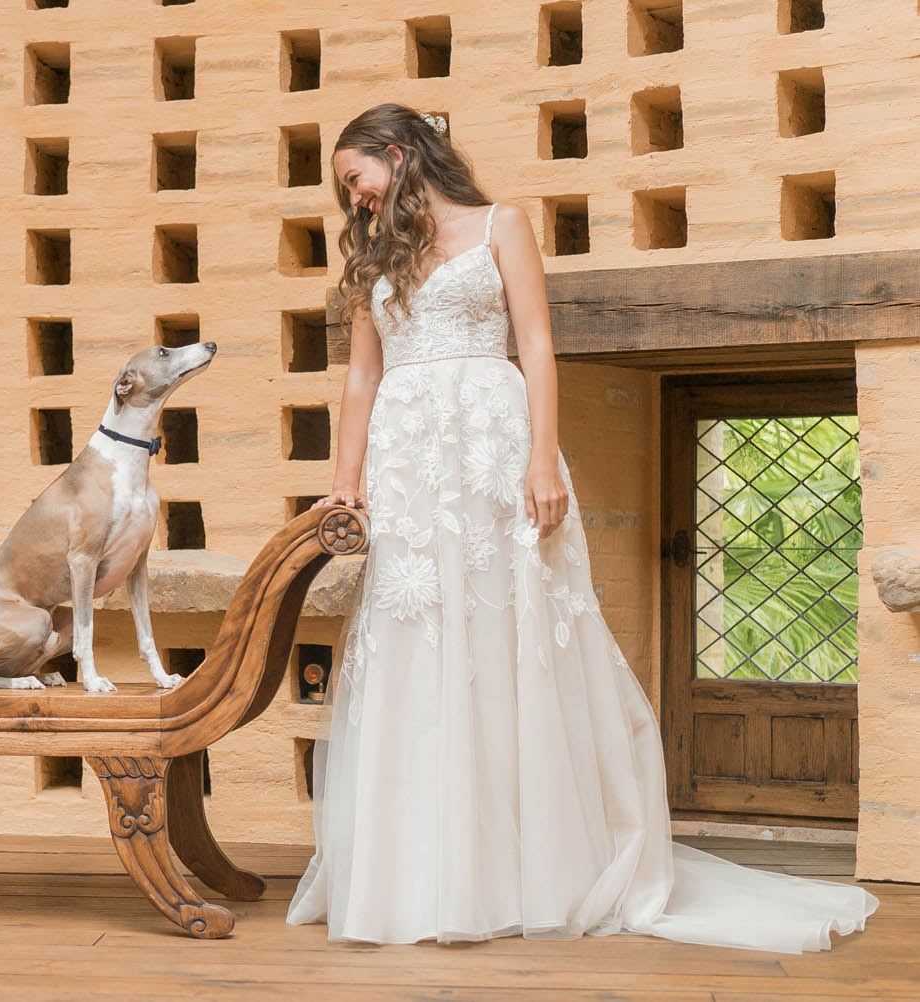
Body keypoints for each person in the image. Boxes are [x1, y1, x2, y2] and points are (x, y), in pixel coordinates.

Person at [286, 103, 878, 952]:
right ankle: (420, 875)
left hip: (494, 454)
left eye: (356, 177)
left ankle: (535, 868)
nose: (354, 198)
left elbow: (536, 343)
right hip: (409, 468)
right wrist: (344, 486)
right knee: (419, 643)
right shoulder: (377, 261)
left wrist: (542, 460)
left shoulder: (502, 224)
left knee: (508, 642)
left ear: (399, 152)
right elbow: (359, 381)